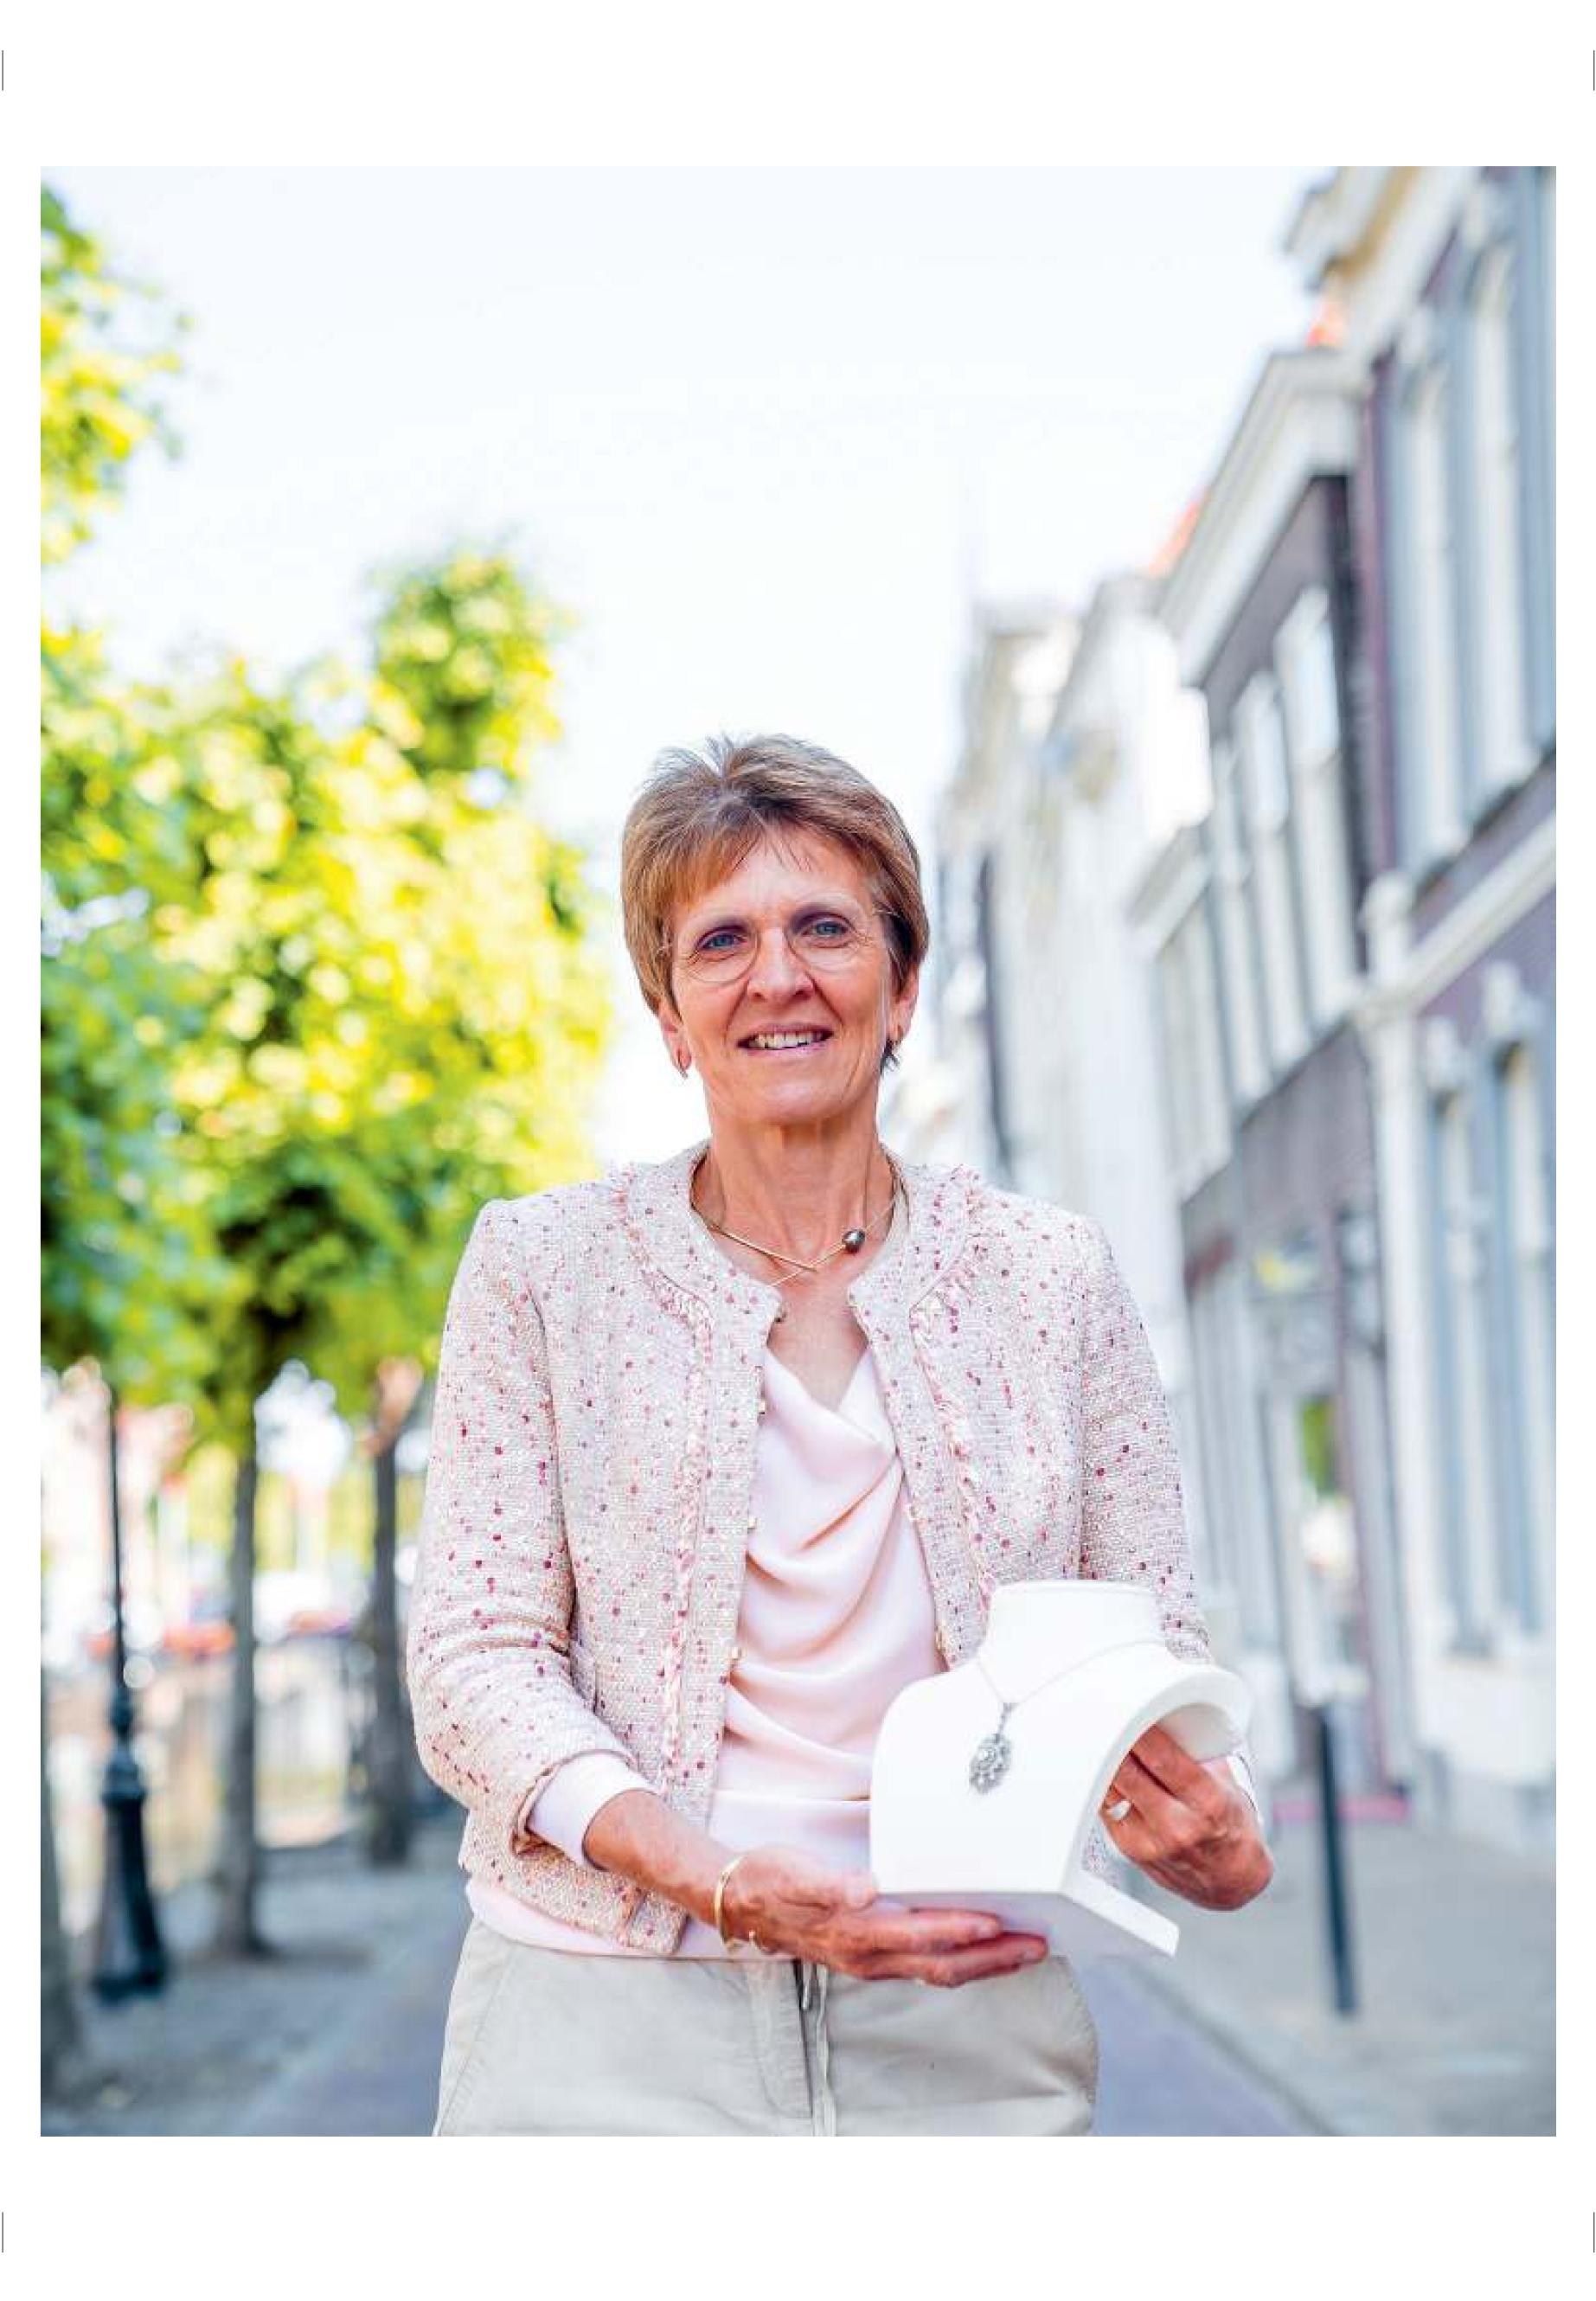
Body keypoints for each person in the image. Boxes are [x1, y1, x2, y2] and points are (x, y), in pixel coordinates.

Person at [407, 732, 1272, 2138]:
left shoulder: (1049, 1278)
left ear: (902, 985)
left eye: (823, 928)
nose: (777, 977)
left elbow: (1148, 1644)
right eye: (720, 942)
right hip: (600, 2023)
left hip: (965, 2013)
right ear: (669, 1015)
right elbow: (472, 1663)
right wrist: (710, 1879)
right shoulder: (542, 1268)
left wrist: (1221, 1826)